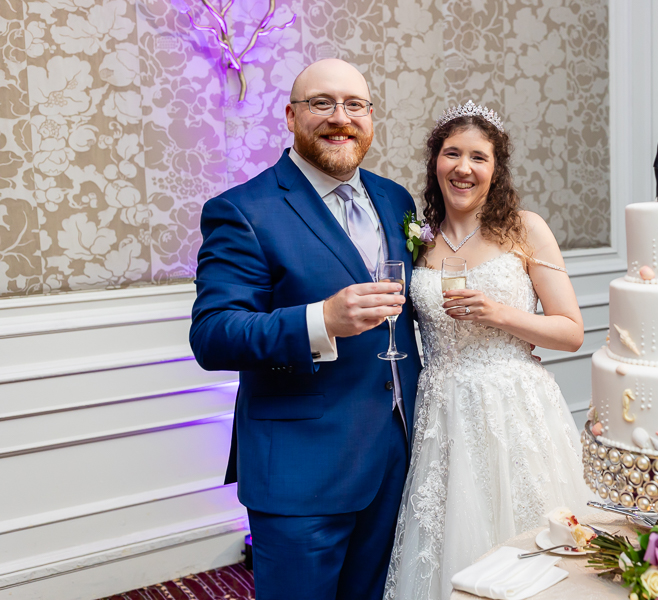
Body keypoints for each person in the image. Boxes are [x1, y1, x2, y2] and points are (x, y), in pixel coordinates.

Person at [189, 59, 421, 600]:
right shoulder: (243, 210)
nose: (340, 118)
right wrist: (321, 321)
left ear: (371, 118)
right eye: (322, 104)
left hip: (394, 455)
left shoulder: (396, 200)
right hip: (300, 468)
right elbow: (214, 334)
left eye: (355, 105)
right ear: (290, 116)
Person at [383, 102, 592, 600]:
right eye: (451, 154)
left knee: (527, 542)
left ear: (495, 169)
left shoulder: (526, 229)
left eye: (478, 157)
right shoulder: (419, 240)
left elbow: (570, 331)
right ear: (436, 162)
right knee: (448, 538)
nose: (464, 167)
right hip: (440, 410)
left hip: (513, 406)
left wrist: (499, 313)